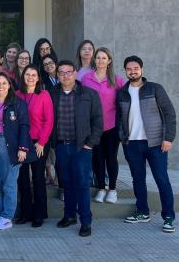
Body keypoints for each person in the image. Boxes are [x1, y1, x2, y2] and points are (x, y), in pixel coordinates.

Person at [117, 56, 176, 233]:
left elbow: (169, 114)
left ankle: (168, 217)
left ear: (142, 69)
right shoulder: (122, 92)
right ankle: (143, 212)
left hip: (156, 143)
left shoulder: (154, 88)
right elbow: (119, 118)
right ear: (125, 71)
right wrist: (123, 138)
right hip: (132, 144)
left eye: (135, 68)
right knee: (138, 179)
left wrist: (168, 138)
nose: (132, 71)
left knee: (161, 178)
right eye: (129, 69)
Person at [49, 60, 103, 237]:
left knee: (82, 184)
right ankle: (69, 215)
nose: (65, 75)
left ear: (75, 73)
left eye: (68, 72)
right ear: (57, 75)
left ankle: (86, 221)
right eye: (61, 72)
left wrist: (90, 143)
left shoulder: (89, 94)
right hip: (61, 146)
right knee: (67, 183)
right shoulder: (51, 94)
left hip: (81, 147)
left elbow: (98, 122)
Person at [0, 73, 30, 230]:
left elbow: (24, 126)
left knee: (9, 183)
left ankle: (7, 216)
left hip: (10, 144)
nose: (1, 86)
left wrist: (23, 148)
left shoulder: (18, 103)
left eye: (4, 83)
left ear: (9, 85)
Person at [81, 47, 125, 203]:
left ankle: (112, 189)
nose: (100, 61)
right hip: (94, 127)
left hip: (112, 126)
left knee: (111, 158)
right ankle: (101, 188)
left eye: (104, 58)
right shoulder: (86, 78)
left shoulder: (117, 80)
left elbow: (123, 103)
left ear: (109, 61)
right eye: (98, 58)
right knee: (97, 159)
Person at [16, 66, 54, 227]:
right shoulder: (17, 95)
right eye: (27, 74)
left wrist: (42, 142)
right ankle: (25, 213)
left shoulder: (44, 95)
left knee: (38, 178)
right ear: (23, 77)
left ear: (38, 78)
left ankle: (39, 214)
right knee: (22, 179)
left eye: (34, 75)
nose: (30, 77)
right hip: (21, 143)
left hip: (38, 142)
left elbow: (49, 120)